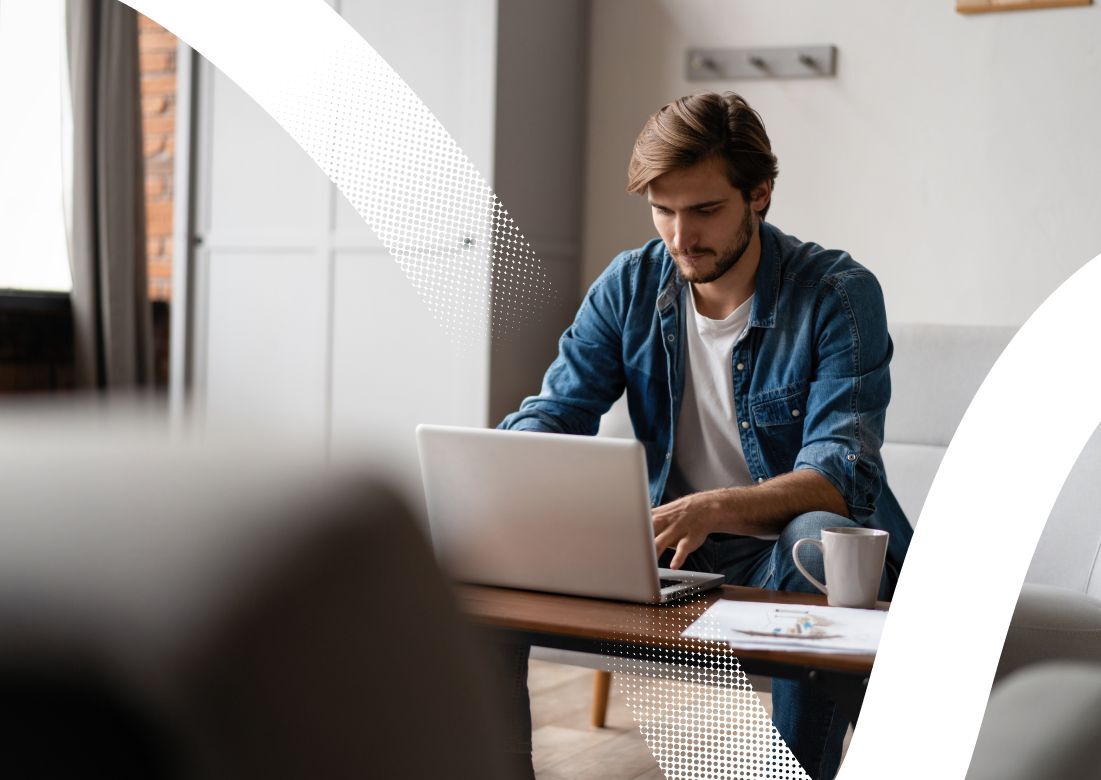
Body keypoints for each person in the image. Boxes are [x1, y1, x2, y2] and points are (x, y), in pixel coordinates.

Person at [498, 91, 912, 780]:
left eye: (703, 210)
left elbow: (839, 476)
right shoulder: (628, 287)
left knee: (812, 534)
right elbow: (556, 411)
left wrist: (714, 504)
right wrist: (499, 470)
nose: (679, 236)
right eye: (662, 210)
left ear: (759, 196)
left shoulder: (837, 294)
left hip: (807, 558)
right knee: (484, 551)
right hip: (676, 557)